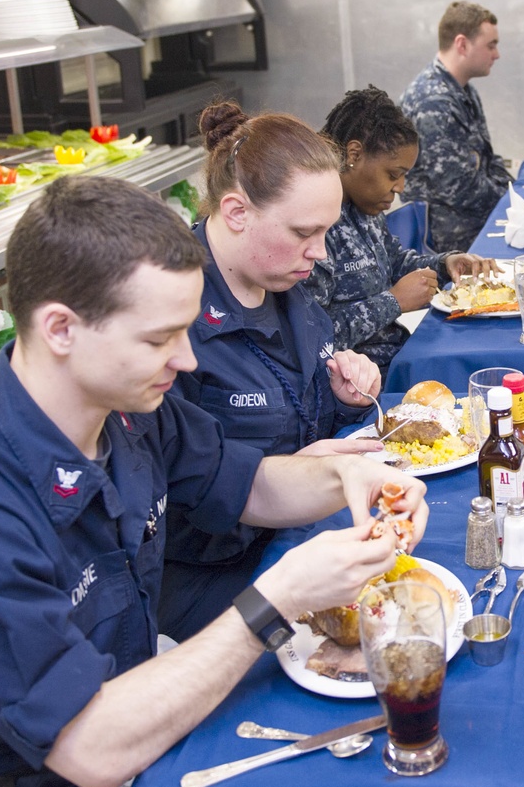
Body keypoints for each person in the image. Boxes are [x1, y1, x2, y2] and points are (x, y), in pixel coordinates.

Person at [0, 175, 428, 787]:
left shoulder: (129, 411)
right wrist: (276, 599)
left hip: (134, 718)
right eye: (159, 339)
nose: (186, 360)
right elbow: (90, 748)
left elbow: (248, 484)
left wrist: (352, 480)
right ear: (61, 329)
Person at [159, 101, 386, 642]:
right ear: (237, 212)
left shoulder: (285, 280)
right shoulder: (171, 322)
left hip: (298, 528)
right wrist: (294, 472)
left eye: (327, 231)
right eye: (305, 231)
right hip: (214, 575)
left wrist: (342, 397)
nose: (320, 252)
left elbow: (291, 404)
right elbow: (183, 490)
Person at [308, 86, 497, 375]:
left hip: (397, 356)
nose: (401, 188)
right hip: (360, 383)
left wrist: (446, 263)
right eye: (393, 175)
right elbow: (312, 339)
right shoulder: (313, 226)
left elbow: (393, 261)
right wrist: (393, 302)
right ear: (354, 154)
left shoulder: (364, 206)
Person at [400, 0, 513, 252]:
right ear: (462, 44)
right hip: (450, 243)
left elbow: (486, 159)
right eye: (491, 46)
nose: (497, 54)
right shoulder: (432, 100)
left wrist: (513, 192)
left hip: (474, 225)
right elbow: (458, 187)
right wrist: (511, 201)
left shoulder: (462, 90)